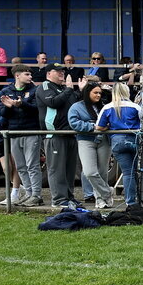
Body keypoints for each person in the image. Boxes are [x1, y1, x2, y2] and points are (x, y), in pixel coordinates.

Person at [0, 65, 42, 206]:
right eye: (27, 74)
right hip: (15, 133)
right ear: (17, 75)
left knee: (32, 165)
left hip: (31, 131)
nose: (30, 77)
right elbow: (2, 114)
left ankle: (36, 195)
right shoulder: (6, 91)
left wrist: (21, 104)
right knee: (21, 166)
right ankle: (28, 193)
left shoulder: (35, 90)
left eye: (30, 74)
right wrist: (8, 107)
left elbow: (37, 110)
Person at [37, 64, 81, 208]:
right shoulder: (45, 86)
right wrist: (69, 89)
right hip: (54, 134)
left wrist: (81, 90)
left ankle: (69, 197)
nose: (62, 73)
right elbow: (53, 102)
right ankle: (59, 200)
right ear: (49, 73)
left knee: (69, 170)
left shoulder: (63, 89)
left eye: (63, 71)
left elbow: (75, 105)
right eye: (58, 71)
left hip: (69, 133)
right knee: (57, 169)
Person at [68, 82, 114, 209]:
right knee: (89, 171)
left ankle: (101, 200)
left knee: (103, 172)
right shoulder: (76, 107)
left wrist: (105, 126)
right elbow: (73, 122)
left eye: (100, 93)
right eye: (95, 92)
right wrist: (93, 127)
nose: (98, 95)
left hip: (104, 141)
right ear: (87, 93)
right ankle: (107, 192)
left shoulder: (103, 107)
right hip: (85, 140)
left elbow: (110, 121)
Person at [96, 82, 143, 207]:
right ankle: (135, 200)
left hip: (117, 141)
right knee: (135, 172)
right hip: (134, 140)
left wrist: (108, 127)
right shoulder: (135, 106)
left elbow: (99, 126)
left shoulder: (107, 107)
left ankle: (130, 202)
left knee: (127, 173)